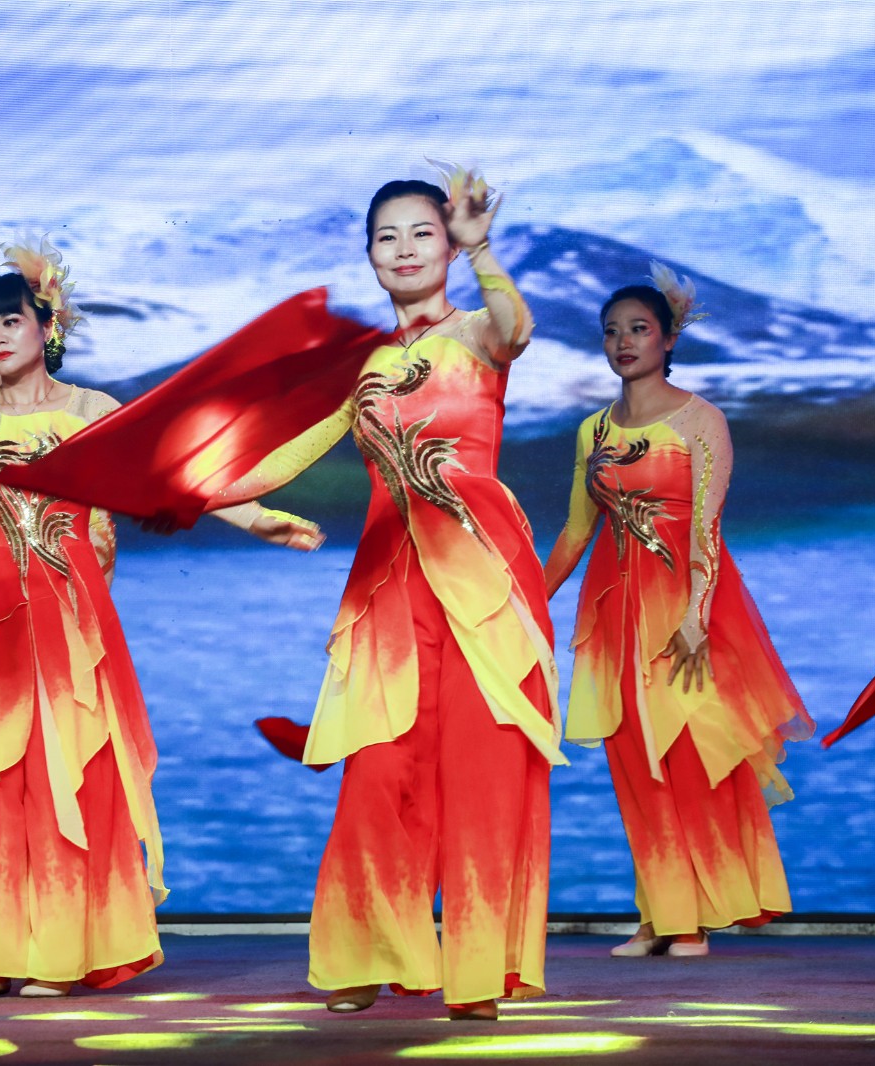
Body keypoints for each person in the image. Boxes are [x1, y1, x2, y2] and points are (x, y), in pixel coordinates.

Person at [0, 240, 319, 997]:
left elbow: (174, 475)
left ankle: (60, 951)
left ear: (46, 326)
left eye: (10, 321)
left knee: (67, 780)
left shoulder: (93, 412)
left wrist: (258, 519)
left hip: (71, 624)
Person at [214, 165, 564, 1019]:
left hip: (483, 588)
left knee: (484, 777)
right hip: (388, 592)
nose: (404, 249)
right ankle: (365, 955)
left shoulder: (478, 334)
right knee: (378, 774)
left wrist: (484, 251)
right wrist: (241, 511)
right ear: (369, 256)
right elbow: (282, 455)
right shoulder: (361, 365)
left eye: (423, 234)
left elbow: (517, 328)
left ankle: (478, 974)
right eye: (387, 237)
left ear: (447, 245)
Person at [542, 267, 813, 957]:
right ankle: (661, 917)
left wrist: (695, 616)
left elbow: (706, 530)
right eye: (612, 331)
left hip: (687, 610)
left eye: (639, 329)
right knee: (635, 762)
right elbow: (575, 531)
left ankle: (701, 915)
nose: (624, 341)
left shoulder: (700, 420)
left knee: (691, 755)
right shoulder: (593, 430)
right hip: (613, 616)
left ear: (668, 338)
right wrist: (526, 602)